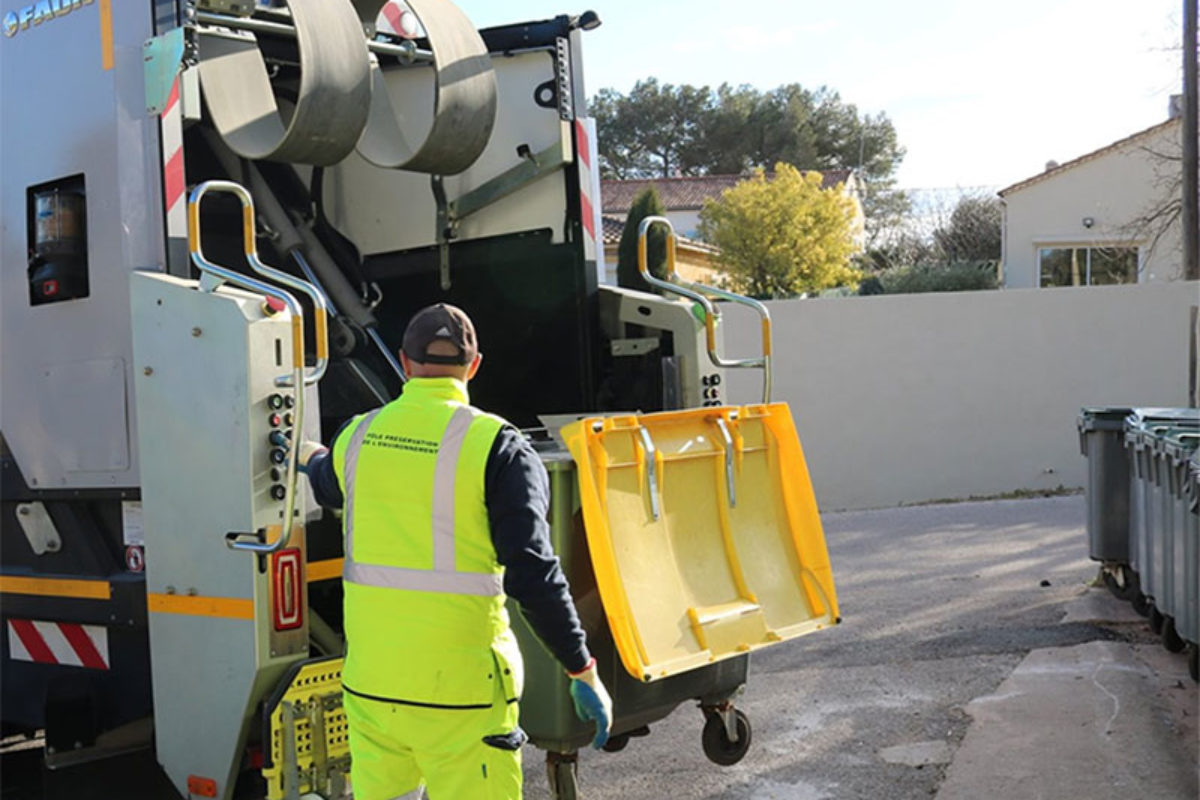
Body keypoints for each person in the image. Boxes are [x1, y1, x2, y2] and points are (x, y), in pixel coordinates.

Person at [298, 303, 611, 800]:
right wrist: (581, 667)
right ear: (475, 365)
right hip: (462, 700)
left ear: (404, 362)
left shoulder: (355, 437)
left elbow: (324, 478)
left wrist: (308, 452)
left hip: (373, 692)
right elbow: (533, 574)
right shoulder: (498, 447)